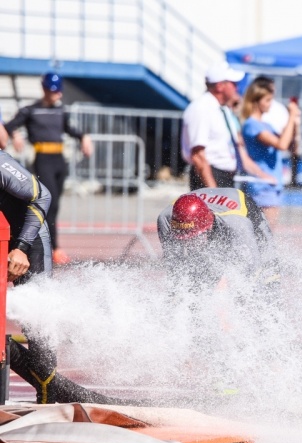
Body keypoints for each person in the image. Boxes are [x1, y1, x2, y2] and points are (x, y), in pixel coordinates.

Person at [0, 149, 132, 404]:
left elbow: (42, 196)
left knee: (37, 332)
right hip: (2, 237)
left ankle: (49, 398)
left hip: (28, 242)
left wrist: (21, 248)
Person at [2, 72, 93, 266]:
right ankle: (55, 248)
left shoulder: (61, 111)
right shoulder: (30, 110)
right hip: (43, 159)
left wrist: (84, 137)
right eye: (53, 91)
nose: (57, 95)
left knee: (56, 207)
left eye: (58, 91)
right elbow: (7, 127)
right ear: (44, 89)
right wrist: (16, 135)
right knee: (46, 204)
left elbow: (72, 130)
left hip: (59, 160)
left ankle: (53, 246)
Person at [157, 188, 280, 303]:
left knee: (267, 281)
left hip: (244, 212)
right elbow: (175, 270)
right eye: (185, 238)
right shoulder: (166, 220)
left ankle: (274, 321)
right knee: (196, 285)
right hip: (211, 212)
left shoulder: (238, 225)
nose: (189, 244)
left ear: (209, 226)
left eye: (194, 238)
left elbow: (253, 272)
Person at [240, 77, 300, 229]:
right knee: (265, 231)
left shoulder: (265, 124)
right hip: (262, 184)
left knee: (268, 230)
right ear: (256, 100)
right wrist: (291, 116)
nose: (270, 104)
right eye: (267, 100)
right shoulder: (252, 125)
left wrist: (295, 124)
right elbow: (281, 144)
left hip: (272, 183)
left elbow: (292, 146)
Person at [181, 62, 247, 191]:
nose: (236, 88)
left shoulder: (222, 109)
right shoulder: (201, 108)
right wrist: (214, 193)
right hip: (210, 177)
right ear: (220, 86)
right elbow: (198, 156)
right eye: (233, 83)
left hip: (223, 176)